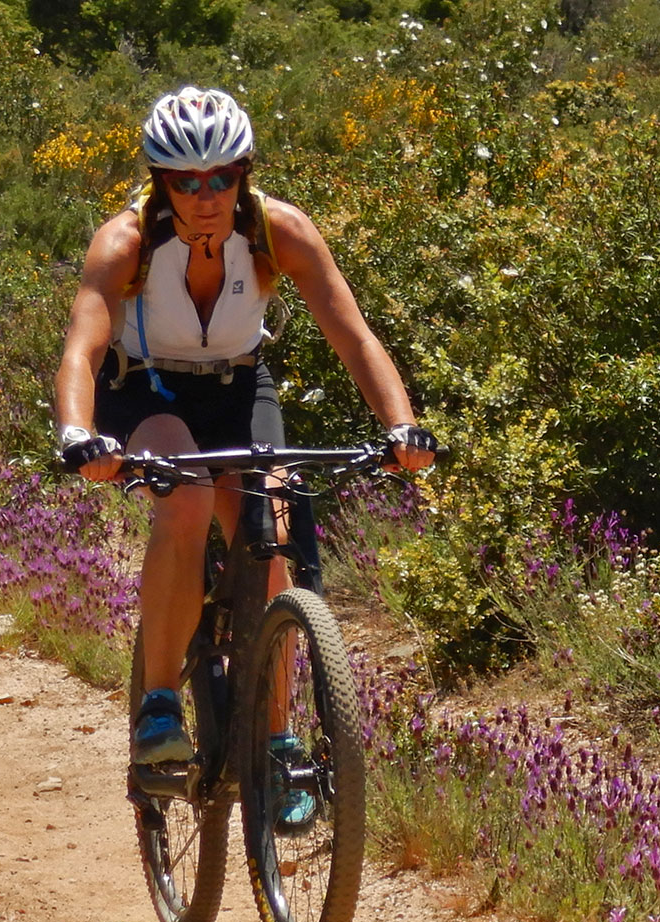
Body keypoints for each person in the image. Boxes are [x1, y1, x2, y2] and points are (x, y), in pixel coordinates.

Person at [53, 86, 435, 821]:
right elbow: (82, 346)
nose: (205, 195)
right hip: (145, 390)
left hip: (235, 384)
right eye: (185, 181)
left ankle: (278, 740)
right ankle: (161, 708)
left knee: (276, 523)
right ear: (161, 182)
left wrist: (402, 427)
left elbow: (353, 335)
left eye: (221, 177)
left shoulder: (278, 231)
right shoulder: (124, 242)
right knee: (188, 498)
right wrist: (79, 434)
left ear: (245, 172)